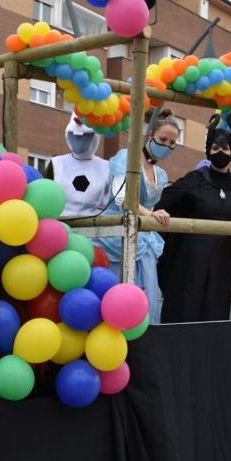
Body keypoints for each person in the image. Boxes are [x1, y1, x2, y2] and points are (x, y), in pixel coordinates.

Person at [157, 113, 231, 323]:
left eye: (224, 149)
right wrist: (157, 213)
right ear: (208, 151)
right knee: (186, 308)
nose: (220, 152)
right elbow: (162, 201)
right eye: (215, 149)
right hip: (190, 262)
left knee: (215, 311)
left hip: (222, 260)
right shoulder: (195, 179)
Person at [94, 108, 177, 324]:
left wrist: (156, 214)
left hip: (145, 242)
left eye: (172, 143)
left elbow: (153, 206)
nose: (167, 146)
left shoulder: (161, 174)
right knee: (113, 297)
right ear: (150, 136)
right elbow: (121, 197)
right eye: (163, 139)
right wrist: (151, 214)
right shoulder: (125, 158)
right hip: (116, 238)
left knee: (148, 301)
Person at [46, 115, 110, 218]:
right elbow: (45, 195)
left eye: (85, 137)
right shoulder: (56, 163)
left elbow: (114, 201)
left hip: (95, 226)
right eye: (76, 137)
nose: (80, 141)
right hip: (62, 224)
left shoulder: (107, 167)